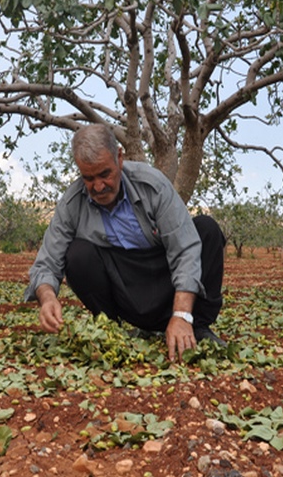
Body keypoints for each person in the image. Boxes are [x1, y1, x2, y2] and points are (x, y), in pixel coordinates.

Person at [24, 124, 226, 361]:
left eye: (105, 174)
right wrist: (47, 298)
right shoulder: (72, 204)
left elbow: (184, 249)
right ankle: (109, 327)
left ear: (119, 158)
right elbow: (46, 264)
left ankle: (196, 326)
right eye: (88, 178)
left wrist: (181, 314)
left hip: (167, 282)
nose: (98, 186)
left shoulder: (153, 185)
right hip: (126, 292)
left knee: (206, 230)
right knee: (78, 254)